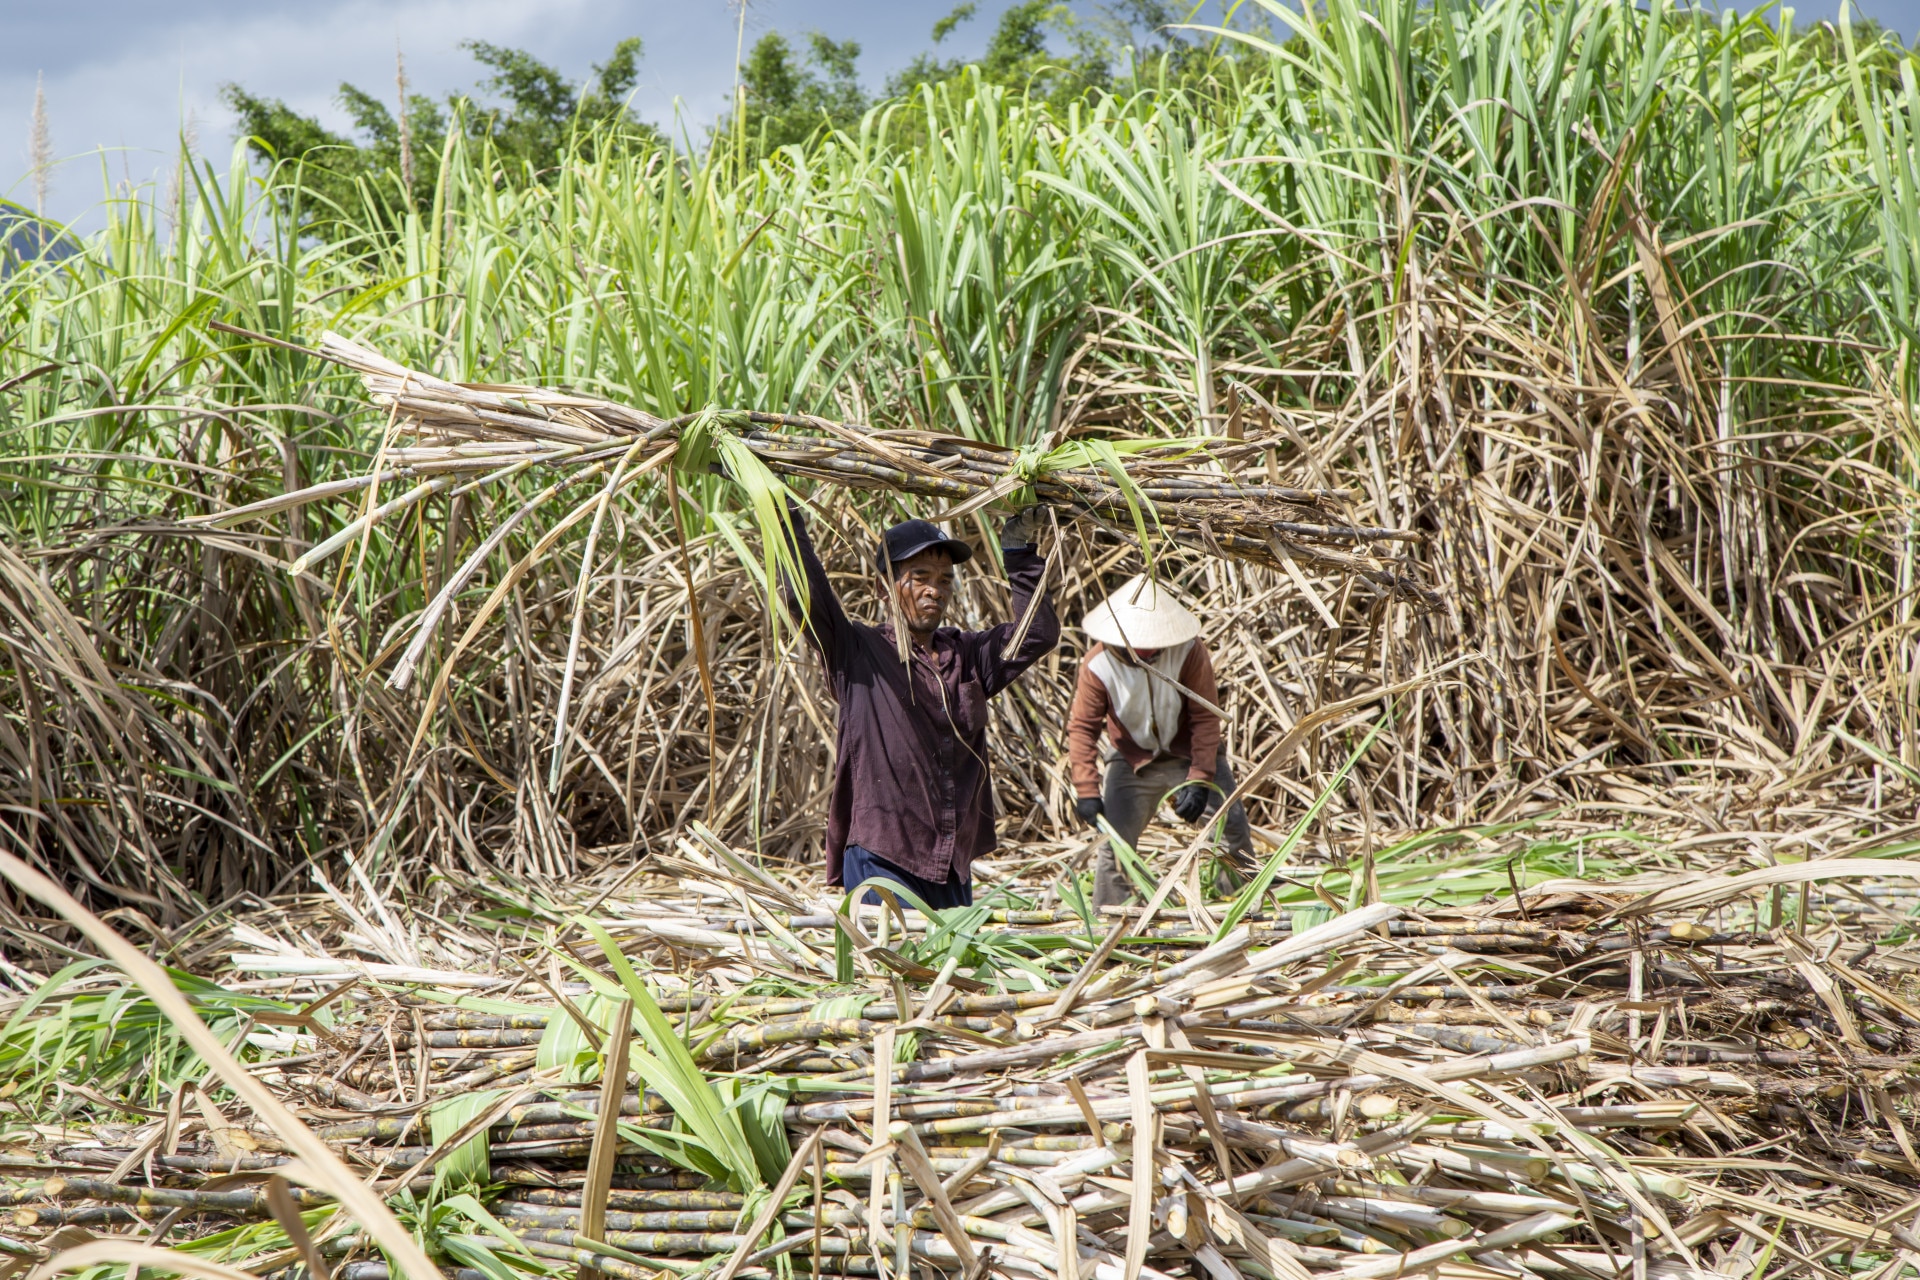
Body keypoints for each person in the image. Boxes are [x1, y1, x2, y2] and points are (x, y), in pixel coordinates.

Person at [781, 499, 1059, 909]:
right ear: (883, 587)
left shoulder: (968, 656)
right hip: (884, 856)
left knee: (950, 968)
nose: (936, 589)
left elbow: (1037, 633)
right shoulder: (856, 652)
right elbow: (804, 594)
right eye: (921, 576)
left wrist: (1018, 551)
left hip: (951, 862)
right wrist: (785, 512)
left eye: (946, 580)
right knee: (898, 969)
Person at [1066, 574, 1255, 908]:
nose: (1145, 647)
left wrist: (1199, 779)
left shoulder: (1188, 652)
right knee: (1115, 846)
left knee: (1231, 829)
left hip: (1187, 754)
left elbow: (1206, 717)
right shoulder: (1098, 664)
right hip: (1132, 758)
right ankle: (1115, 916)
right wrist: (1086, 790)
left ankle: (1241, 906)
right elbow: (1083, 727)